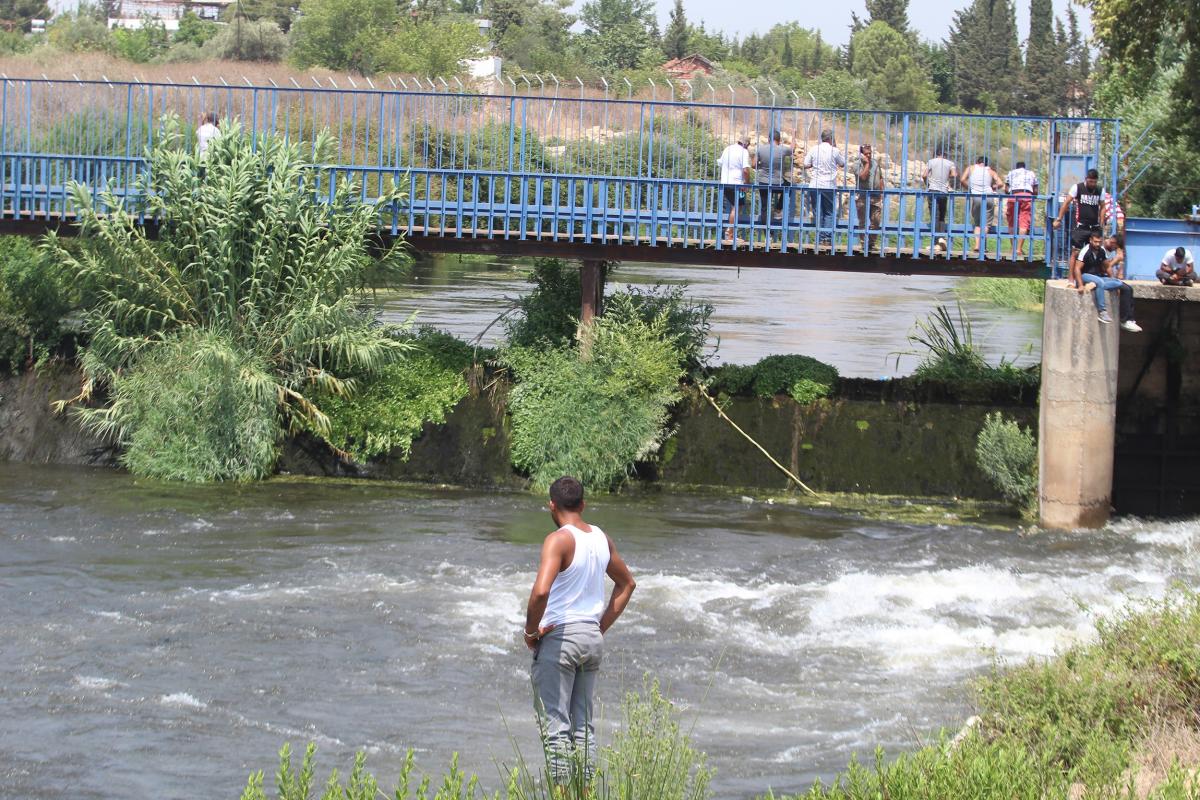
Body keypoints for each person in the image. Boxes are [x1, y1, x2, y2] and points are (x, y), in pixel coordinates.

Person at [524, 476, 636, 789]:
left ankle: (560, 794)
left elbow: (540, 592)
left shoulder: (558, 540)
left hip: (560, 639)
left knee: (556, 726)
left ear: (551, 505)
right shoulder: (602, 538)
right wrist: (598, 627)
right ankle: (584, 793)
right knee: (583, 726)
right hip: (590, 638)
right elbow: (627, 584)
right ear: (583, 505)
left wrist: (530, 631)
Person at [1072, 229, 1141, 331]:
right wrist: (1081, 285)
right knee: (1100, 282)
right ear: (1090, 240)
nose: (1097, 244)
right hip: (1085, 276)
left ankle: (1126, 321)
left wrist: (1113, 280)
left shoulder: (1102, 251)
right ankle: (1102, 312)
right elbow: (1077, 268)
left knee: (1120, 284)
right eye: (1095, 242)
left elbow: (1107, 267)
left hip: (1098, 277)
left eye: (1099, 242)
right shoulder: (1085, 251)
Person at [1053, 168, 1107, 276]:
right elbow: (1066, 203)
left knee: (1094, 253)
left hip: (1094, 227)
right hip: (1081, 227)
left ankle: (1089, 276)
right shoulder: (1077, 188)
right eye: (1090, 181)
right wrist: (1059, 219)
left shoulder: (1100, 190)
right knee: (1075, 252)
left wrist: (1101, 224)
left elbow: (1103, 207)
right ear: (1086, 179)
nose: (1092, 184)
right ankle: (1071, 279)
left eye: (1095, 182)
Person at [804, 128, 845, 247]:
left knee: (818, 212)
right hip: (829, 185)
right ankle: (826, 239)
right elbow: (842, 163)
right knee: (829, 212)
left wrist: (814, 165)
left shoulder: (813, 149)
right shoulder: (835, 151)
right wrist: (835, 146)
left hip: (815, 184)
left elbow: (805, 164)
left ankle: (819, 238)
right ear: (831, 138)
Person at [962, 156, 1001, 254]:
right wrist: (992, 187)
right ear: (986, 164)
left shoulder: (971, 168)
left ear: (977, 162)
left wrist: (970, 188)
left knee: (978, 223)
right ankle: (982, 246)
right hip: (989, 197)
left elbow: (962, 180)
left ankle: (976, 246)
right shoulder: (990, 171)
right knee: (986, 224)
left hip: (976, 197)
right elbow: (1000, 183)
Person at [854, 143, 887, 254]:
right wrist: (867, 164)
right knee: (862, 222)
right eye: (866, 154)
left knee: (876, 221)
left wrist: (882, 193)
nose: (868, 155)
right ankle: (864, 244)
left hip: (876, 197)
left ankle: (871, 244)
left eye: (870, 153)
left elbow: (881, 178)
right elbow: (862, 177)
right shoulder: (857, 164)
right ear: (861, 154)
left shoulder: (876, 164)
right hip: (862, 197)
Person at [718, 136, 752, 243]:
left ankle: (729, 233)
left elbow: (720, 163)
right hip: (737, 185)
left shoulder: (727, 149)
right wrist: (746, 184)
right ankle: (730, 234)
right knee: (737, 206)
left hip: (725, 182)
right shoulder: (744, 152)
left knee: (734, 206)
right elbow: (746, 170)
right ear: (746, 144)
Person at [755, 130, 793, 225]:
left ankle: (768, 235)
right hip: (777, 183)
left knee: (764, 208)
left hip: (763, 182)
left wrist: (762, 166)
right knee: (789, 187)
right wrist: (794, 135)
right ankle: (778, 209)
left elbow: (753, 164)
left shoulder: (760, 149)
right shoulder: (782, 149)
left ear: (768, 139)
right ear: (779, 140)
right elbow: (793, 149)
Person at [922, 148, 956, 253]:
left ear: (936, 154)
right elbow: (954, 175)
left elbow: (924, 175)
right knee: (941, 215)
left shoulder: (931, 162)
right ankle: (941, 239)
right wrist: (946, 177)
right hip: (944, 192)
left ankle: (937, 242)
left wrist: (928, 184)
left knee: (934, 216)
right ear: (944, 155)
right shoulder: (950, 163)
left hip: (933, 191)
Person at [1004, 160, 1039, 258]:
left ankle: (1012, 248)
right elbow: (1035, 190)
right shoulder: (1031, 173)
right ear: (1025, 167)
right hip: (1027, 195)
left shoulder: (1011, 173)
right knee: (1024, 222)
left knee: (1011, 221)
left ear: (1016, 167)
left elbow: (1006, 189)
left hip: (1013, 195)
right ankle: (1019, 249)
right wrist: (1033, 195)